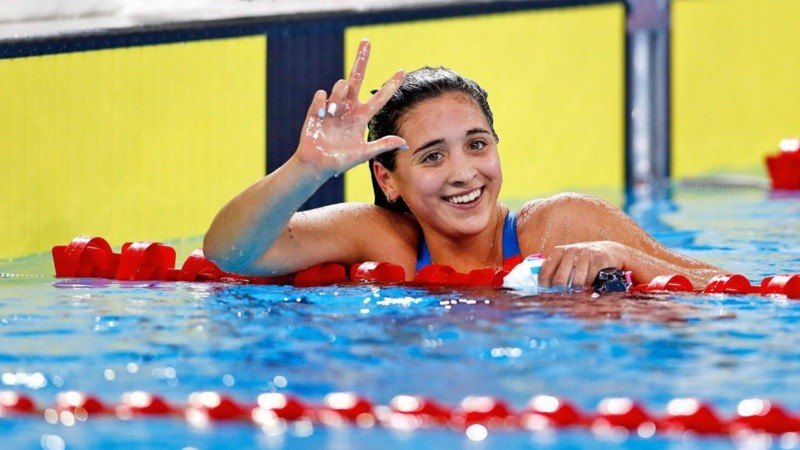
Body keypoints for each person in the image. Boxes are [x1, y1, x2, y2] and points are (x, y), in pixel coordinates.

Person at [203, 40, 722, 288]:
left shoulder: (563, 226)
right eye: (432, 156)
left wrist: (617, 254)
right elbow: (231, 252)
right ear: (388, 179)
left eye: (477, 145)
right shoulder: (385, 240)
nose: (463, 173)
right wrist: (307, 168)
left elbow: (728, 290)